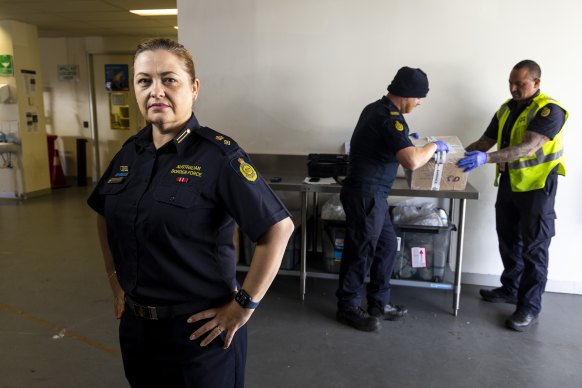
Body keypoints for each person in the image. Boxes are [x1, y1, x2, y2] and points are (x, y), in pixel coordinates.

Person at [87, 38, 294, 387]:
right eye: (144, 81)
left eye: (169, 79)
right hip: (137, 331)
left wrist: (243, 305)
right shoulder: (129, 154)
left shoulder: (218, 156)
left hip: (199, 335)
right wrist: (114, 280)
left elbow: (278, 229)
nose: (156, 91)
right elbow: (104, 211)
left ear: (193, 88)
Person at [336, 66, 450, 332]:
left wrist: (409, 140)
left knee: (387, 246)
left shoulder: (375, 109)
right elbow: (411, 161)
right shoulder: (390, 118)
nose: (420, 102)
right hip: (366, 194)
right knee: (360, 251)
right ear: (408, 94)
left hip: (371, 194)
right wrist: (433, 146)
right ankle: (348, 307)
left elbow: (387, 144)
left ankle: (378, 302)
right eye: (420, 97)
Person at [458, 60, 567, 332]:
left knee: (534, 248)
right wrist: (447, 152)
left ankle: (529, 307)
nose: (514, 88)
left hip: (538, 188)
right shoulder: (506, 109)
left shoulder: (549, 110)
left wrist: (486, 158)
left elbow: (528, 147)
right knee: (508, 239)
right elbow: (485, 141)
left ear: (537, 83)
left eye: (520, 83)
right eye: (511, 82)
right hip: (510, 183)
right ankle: (510, 288)